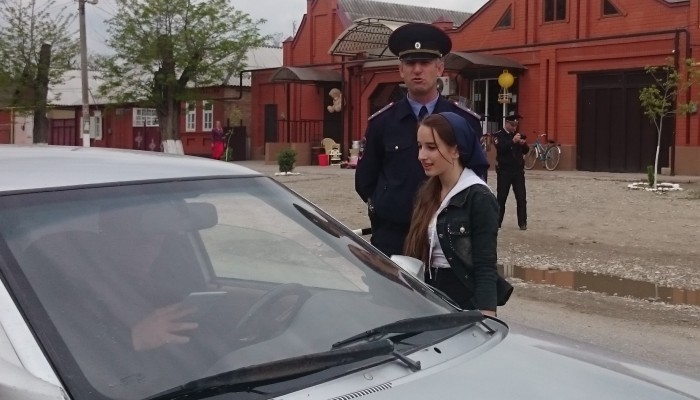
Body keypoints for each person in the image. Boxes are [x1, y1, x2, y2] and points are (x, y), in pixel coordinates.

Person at [355, 22, 485, 257]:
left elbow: (477, 177)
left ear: (440, 68)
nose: (417, 70)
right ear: (400, 69)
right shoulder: (382, 123)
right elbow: (365, 180)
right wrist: (388, 205)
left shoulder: (463, 121)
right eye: (410, 63)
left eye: (424, 63)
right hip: (394, 237)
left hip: (447, 238)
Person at [404, 112, 502, 316]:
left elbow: (485, 265)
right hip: (427, 298)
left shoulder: (479, 197)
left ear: (456, 150)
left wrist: (486, 315)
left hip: (462, 303)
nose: (422, 155)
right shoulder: (427, 192)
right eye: (420, 146)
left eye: (431, 147)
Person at [493, 113, 529, 230]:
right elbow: (501, 149)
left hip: (518, 171)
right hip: (505, 171)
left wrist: (523, 144)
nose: (514, 128)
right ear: (507, 124)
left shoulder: (517, 135)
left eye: (516, 125)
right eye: (512, 125)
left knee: (521, 197)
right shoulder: (498, 135)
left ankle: (522, 223)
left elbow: (525, 151)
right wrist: (512, 141)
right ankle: (497, 222)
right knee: (502, 197)